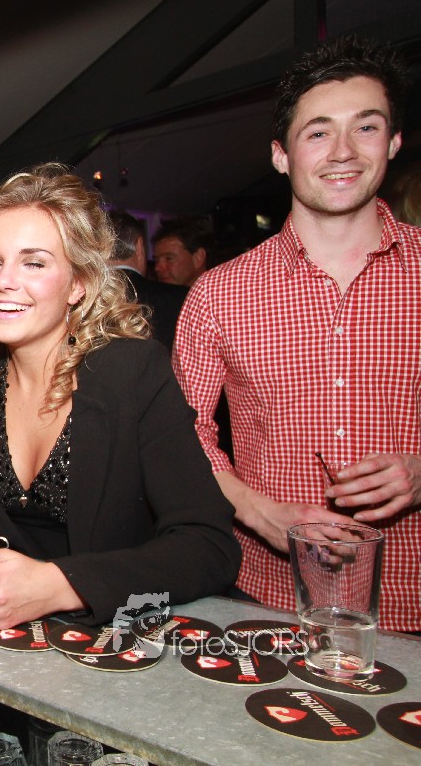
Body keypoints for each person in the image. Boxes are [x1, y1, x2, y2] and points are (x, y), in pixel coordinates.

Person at [0, 164, 240, 632]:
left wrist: (59, 585)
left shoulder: (132, 372)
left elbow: (208, 545)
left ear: (79, 283)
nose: (4, 281)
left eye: (34, 262)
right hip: (5, 644)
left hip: (116, 640)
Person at [172, 35, 421, 632]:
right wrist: (260, 513)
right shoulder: (218, 293)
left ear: (393, 142)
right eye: (318, 133)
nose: (343, 151)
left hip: (413, 594)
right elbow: (181, 436)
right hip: (269, 596)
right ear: (281, 155)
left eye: (365, 127)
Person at [107, 210, 187, 350]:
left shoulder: (81, 303)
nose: (158, 268)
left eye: (169, 258)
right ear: (140, 247)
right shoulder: (182, 300)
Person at [151, 217, 212, 287]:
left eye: (169, 259)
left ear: (198, 258)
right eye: (156, 261)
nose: (157, 268)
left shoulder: (217, 291)